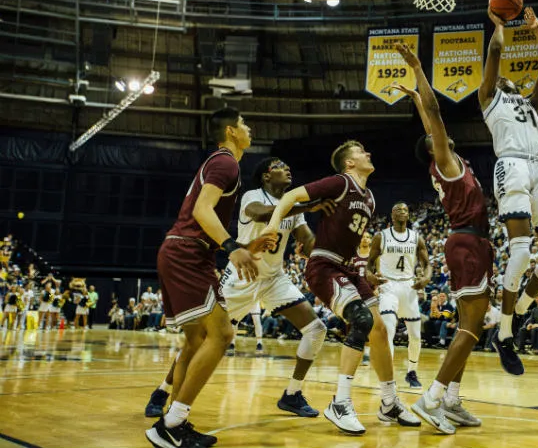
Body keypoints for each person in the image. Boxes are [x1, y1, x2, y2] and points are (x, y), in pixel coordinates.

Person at [146, 158, 333, 421]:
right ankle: (162, 392)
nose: (288, 168)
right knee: (199, 340)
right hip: (243, 275)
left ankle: (292, 394)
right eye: (280, 165)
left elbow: (307, 239)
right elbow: (262, 214)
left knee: (316, 329)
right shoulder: (251, 196)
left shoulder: (295, 206)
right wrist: (309, 204)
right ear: (266, 177)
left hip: (274, 278)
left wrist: (322, 246)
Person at [263, 139, 420, 435]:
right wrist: (273, 226)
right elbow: (291, 197)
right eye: (362, 152)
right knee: (361, 321)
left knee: (380, 330)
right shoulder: (340, 181)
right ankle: (340, 403)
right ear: (350, 163)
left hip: (347, 267)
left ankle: (388, 402)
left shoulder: (370, 197)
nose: (369, 153)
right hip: (324, 266)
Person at [145, 107, 274, 448]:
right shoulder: (225, 162)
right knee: (221, 334)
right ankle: (171, 423)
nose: (249, 128)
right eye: (244, 123)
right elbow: (202, 211)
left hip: (184, 251)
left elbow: (203, 217)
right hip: (188, 253)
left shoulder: (221, 163)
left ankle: (173, 418)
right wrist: (232, 246)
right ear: (231, 131)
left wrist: (245, 245)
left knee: (196, 341)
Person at [393, 42, 494, 434]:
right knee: (471, 324)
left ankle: (451, 400)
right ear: (435, 148)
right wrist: (418, 69)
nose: (442, 136)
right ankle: (432, 398)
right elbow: (436, 118)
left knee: (472, 323)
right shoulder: (447, 163)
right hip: (468, 243)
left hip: (471, 244)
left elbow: (429, 120)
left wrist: (417, 102)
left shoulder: (452, 165)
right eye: (436, 138)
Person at [479, 7, 538, 376]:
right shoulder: (489, 97)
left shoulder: (529, 104)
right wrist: (498, 25)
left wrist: (536, 31)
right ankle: (505, 333)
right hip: (512, 165)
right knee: (520, 253)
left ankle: (515, 310)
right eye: (504, 79)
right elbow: (495, 56)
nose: (508, 80)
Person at [368, 202, 431, 389]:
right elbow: (369, 265)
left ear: (409, 215)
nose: (402, 212)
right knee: (389, 329)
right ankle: (388, 375)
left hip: (409, 286)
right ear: (392, 215)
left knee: (416, 336)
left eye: (405, 209)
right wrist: (370, 276)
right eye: (398, 210)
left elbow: (427, 264)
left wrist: (426, 279)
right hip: (388, 285)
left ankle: (412, 372)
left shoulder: (416, 238)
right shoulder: (381, 237)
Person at [351, 232, 372, 366]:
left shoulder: (374, 255)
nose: (365, 239)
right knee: (357, 324)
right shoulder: (354, 255)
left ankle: (367, 354)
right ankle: (357, 351)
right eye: (363, 236)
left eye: (368, 237)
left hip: (370, 292)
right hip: (356, 292)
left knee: (369, 324)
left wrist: (376, 289)